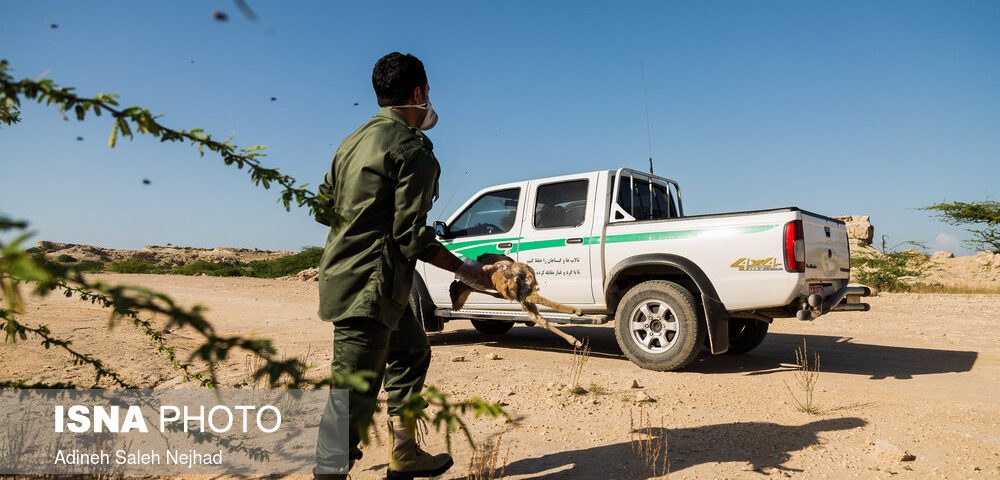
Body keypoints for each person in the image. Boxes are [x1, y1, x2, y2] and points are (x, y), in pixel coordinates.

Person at [312, 52, 495, 480]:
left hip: (355, 281)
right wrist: (468, 271)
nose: (429, 99)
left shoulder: (351, 142)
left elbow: (323, 207)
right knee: (352, 396)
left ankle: (405, 451)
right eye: (427, 91)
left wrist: (360, 218)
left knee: (412, 350)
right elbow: (410, 236)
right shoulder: (412, 150)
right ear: (417, 93)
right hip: (370, 288)